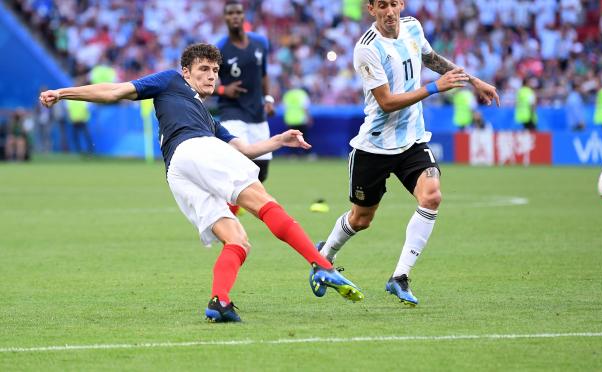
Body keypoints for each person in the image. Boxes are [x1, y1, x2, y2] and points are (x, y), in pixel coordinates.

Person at [39, 43, 363, 323]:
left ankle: (219, 302)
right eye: (204, 69)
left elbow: (246, 148)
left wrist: (279, 139)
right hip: (193, 150)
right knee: (262, 200)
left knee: (237, 240)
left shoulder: (207, 118)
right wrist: (64, 93)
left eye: (215, 70)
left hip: (178, 172)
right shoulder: (169, 82)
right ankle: (320, 264)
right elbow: (115, 91)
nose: (211, 75)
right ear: (185, 72)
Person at [316, 0, 499, 306]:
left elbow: (432, 58)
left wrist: (473, 80)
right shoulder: (367, 48)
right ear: (371, 9)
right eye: (382, 5)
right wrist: (433, 88)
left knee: (432, 196)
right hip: (375, 145)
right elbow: (386, 102)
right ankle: (324, 257)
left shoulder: (413, 27)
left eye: (393, 3)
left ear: (401, 4)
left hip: (412, 139)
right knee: (361, 219)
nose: (389, 11)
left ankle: (399, 277)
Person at [215, 1, 275, 183]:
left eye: (238, 13)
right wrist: (225, 89)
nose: (234, 16)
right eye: (230, 13)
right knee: (237, 162)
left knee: (261, 172)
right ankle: (226, 206)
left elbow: (263, 73)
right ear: (225, 18)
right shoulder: (219, 49)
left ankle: (236, 202)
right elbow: (205, 83)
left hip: (257, 111)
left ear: (243, 16)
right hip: (232, 111)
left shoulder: (260, 43)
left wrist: (268, 98)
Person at [282, 83, 312, 157]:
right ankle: (307, 154)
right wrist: (308, 117)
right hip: (301, 119)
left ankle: (293, 154)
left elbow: (285, 108)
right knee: (304, 137)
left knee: (292, 138)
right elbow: (305, 107)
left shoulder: (288, 94)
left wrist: (286, 120)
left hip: (290, 119)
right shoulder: (302, 94)